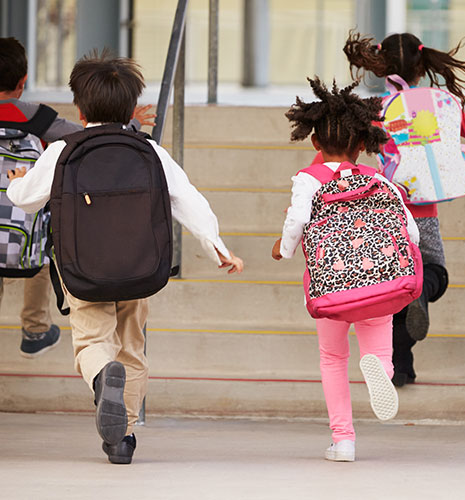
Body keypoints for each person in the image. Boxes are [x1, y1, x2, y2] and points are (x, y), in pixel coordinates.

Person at [6, 53, 242, 464]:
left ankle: (101, 376)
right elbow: (188, 199)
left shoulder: (63, 149)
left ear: (79, 110)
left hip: (82, 268)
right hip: (138, 266)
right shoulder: (149, 149)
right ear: (133, 109)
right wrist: (217, 246)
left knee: (94, 341)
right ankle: (123, 437)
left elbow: (26, 201)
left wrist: (15, 184)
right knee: (132, 346)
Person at [343, 31, 465, 386]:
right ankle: (424, 289)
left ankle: (400, 369)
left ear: (380, 64)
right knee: (434, 272)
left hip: (385, 213)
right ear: (422, 66)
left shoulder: (375, 110)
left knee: (392, 289)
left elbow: (343, 150)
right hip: (425, 214)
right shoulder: (441, 102)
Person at [272, 77, 420, 462]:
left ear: (315, 142)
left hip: (332, 286)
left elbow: (298, 219)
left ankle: (343, 441)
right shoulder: (379, 179)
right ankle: (382, 371)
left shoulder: (309, 178)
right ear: (361, 144)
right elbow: (412, 233)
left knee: (332, 358)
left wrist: (284, 250)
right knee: (377, 347)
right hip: (379, 284)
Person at [0, 37, 154, 358]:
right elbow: (93, 136)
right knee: (44, 238)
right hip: (25, 229)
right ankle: (35, 328)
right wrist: (134, 123)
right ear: (23, 81)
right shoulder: (36, 117)